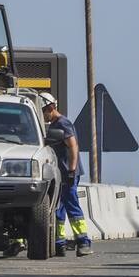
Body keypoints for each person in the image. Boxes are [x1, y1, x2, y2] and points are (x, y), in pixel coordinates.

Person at [41, 92, 92, 257]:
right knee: (58, 208)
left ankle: (83, 242)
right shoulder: (54, 125)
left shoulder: (63, 123)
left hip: (68, 173)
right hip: (59, 174)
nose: (43, 116)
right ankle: (59, 243)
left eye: (43, 112)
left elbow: (73, 146)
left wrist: (71, 170)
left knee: (71, 205)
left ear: (50, 108)